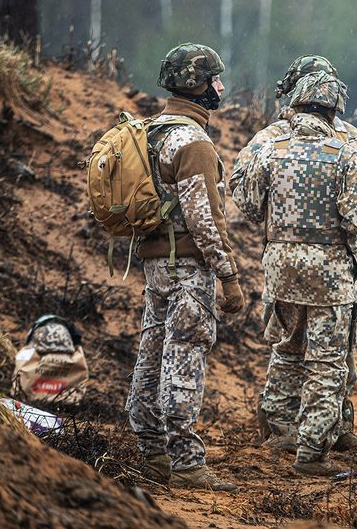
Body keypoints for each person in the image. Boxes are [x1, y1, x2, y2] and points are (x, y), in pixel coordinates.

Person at [230, 54, 357, 455]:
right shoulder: (338, 142)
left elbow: (243, 193)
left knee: (311, 350)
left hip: (284, 262)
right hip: (331, 264)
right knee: (322, 354)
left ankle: (328, 428)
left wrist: (281, 221)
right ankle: (298, 436)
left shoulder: (275, 143)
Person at [126, 43, 244, 491]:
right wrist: (228, 275)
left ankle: (151, 449)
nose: (220, 87)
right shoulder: (192, 141)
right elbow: (204, 217)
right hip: (188, 268)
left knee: (151, 352)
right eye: (214, 79)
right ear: (197, 83)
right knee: (184, 355)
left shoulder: (151, 131)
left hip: (155, 262)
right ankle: (187, 462)